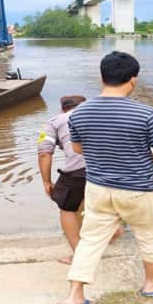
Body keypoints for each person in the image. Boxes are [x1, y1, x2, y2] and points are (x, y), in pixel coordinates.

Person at [62, 51, 153, 304]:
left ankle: (75, 296)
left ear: (102, 77)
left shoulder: (79, 113)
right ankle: (151, 284)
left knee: (90, 240)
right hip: (139, 190)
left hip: (98, 188)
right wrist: (142, 153)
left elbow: (78, 148)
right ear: (133, 80)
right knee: (151, 234)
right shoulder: (146, 113)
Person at [37, 96, 124, 265]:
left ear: (62, 109)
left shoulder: (54, 121)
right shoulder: (101, 115)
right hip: (111, 168)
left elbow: (44, 153)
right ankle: (114, 230)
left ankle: (80, 257)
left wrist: (46, 181)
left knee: (67, 207)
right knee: (101, 202)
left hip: (78, 170)